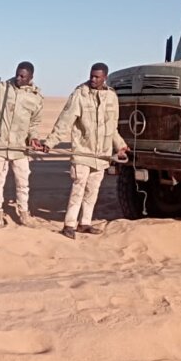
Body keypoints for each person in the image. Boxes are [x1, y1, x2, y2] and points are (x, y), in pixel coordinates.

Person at [43, 62, 129, 239]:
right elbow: (65, 121)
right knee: (78, 189)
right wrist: (50, 143)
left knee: (93, 191)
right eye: (91, 76)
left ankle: (85, 223)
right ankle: (69, 224)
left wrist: (120, 145)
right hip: (82, 152)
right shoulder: (79, 94)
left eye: (97, 77)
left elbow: (112, 128)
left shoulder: (111, 97)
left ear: (105, 77)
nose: (93, 79)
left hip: (102, 155)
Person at [0, 61, 43, 228]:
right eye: (17, 74)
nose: (18, 78)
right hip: (0, 146)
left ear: (31, 77)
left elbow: (34, 123)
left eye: (23, 76)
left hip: (20, 149)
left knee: (23, 183)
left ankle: (24, 213)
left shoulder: (36, 97)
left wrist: (34, 138)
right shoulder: (2, 88)